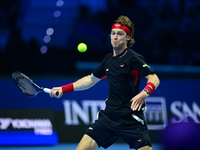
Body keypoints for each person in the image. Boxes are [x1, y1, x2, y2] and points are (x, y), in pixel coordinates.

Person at [50, 15, 160, 150]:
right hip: (109, 118)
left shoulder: (133, 58)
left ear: (128, 38)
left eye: (120, 34)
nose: (115, 37)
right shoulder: (108, 60)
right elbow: (90, 79)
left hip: (131, 119)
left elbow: (154, 78)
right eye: (113, 33)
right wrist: (63, 89)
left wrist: (145, 93)